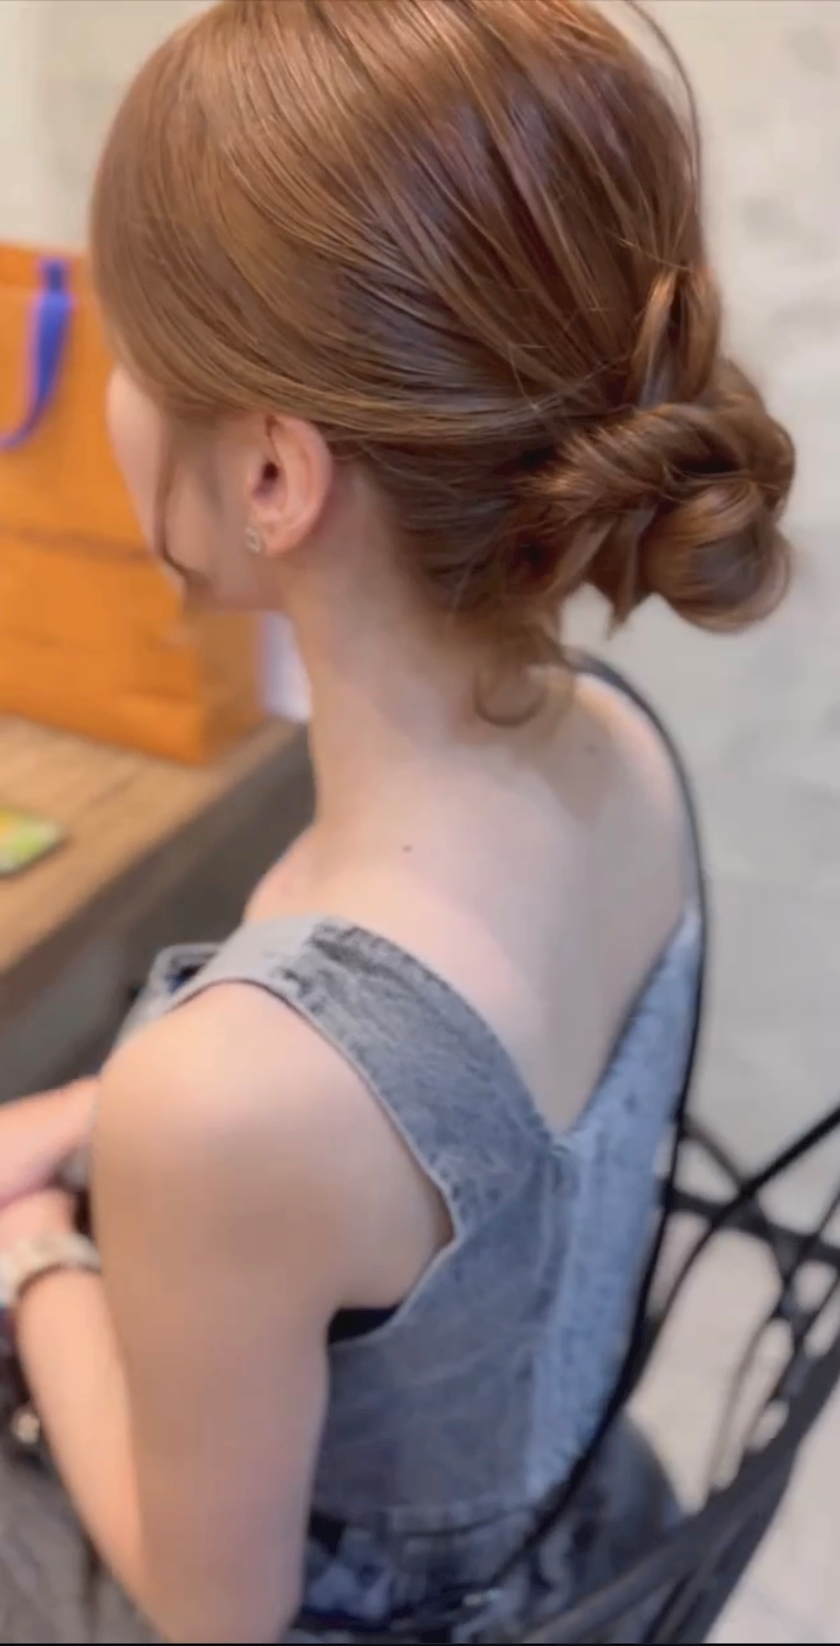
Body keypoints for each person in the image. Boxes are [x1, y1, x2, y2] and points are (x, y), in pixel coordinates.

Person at [0, 1, 794, 1641]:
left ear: (272, 476)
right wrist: (95, 1116)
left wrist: (36, 1263)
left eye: (137, 351)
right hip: (580, 1523)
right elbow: (458, 1162)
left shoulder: (239, 1091)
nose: (120, 398)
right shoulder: (620, 754)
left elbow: (216, 1612)